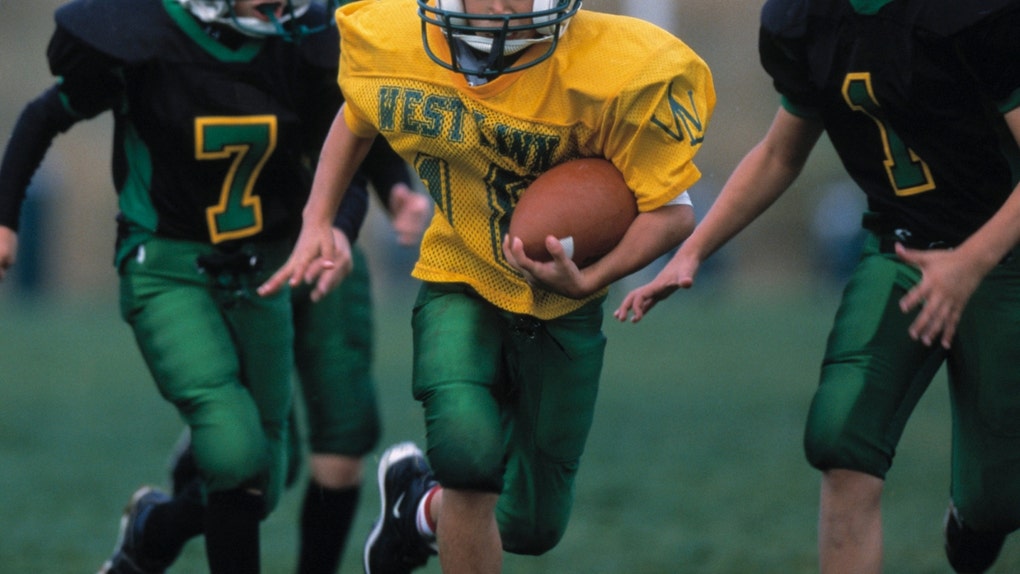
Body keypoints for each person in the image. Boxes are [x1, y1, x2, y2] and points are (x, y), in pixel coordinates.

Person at [258, 0, 716, 572]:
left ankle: (419, 508)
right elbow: (356, 117)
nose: (502, 4)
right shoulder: (399, 41)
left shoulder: (618, 68)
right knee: (466, 456)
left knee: (530, 525)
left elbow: (671, 214)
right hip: (461, 275)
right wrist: (318, 219)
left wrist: (591, 278)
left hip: (561, 310)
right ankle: (442, 490)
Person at [615, 1, 1020, 572]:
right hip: (901, 246)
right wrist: (694, 250)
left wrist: (972, 260)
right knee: (841, 439)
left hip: (1006, 252)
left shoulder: (970, 12)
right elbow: (781, 152)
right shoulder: (805, 18)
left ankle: (979, 515)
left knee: (997, 497)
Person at [0, 0, 395, 572]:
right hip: (166, 264)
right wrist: (6, 217)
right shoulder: (148, 39)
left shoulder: (296, 42)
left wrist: (337, 227)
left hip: (261, 270)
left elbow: (344, 156)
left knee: (264, 478)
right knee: (234, 449)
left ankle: (152, 530)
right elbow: (44, 115)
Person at [167, 141, 430, 574]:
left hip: (331, 250)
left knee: (344, 440)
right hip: (245, 253)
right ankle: (155, 528)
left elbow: (353, 117)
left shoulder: (340, 70)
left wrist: (393, 186)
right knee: (262, 461)